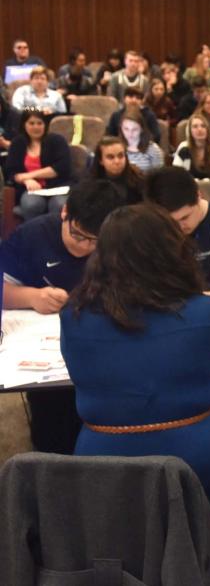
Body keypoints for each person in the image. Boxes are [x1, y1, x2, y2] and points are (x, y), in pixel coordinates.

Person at [62, 203, 210, 514]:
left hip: (103, 468)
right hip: (200, 464)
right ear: (171, 252)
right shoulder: (206, 312)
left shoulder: (74, 317)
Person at [1, 180, 126, 454]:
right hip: (46, 355)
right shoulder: (31, 236)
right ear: (65, 212)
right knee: (54, 430)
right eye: (78, 236)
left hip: (106, 349)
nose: (85, 248)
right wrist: (31, 297)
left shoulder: (120, 241)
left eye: (96, 241)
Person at [145, 166, 210, 296]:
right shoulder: (155, 227)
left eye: (185, 217)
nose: (179, 227)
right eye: (171, 222)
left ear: (199, 195)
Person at [4, 108, 71, 221]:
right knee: (32, 205)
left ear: (45, 125)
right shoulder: (17, 143)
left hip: (58, 187)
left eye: (39, 123)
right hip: (30, 189)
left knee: (59, 205)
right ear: (24, 125)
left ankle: (56, 237)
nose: (36, 127)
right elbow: (11, 172)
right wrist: (26, 180)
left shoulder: (57, 140)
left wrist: (28, 175)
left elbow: (62, 167)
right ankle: (34, 236)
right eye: (31, 123)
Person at [173, 115, 210, 180]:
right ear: (190, 131)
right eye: (195, 126)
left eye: (203, 126)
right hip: (189, 189)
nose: (199, 129)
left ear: (208, 130)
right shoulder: (183, 149)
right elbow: (176, 177)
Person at [90, 136, 145, 204]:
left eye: (120, 156)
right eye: (110, 157)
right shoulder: (91, 183)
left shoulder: (138, 178)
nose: (117, 161)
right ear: (101, 161)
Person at [118, 107, 164, 173]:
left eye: (135, 129)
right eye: (126, 129)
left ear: (141, 129)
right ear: (121, 129)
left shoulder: (153, 149)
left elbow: (159, 176)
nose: (130, 133)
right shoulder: (117, 147)